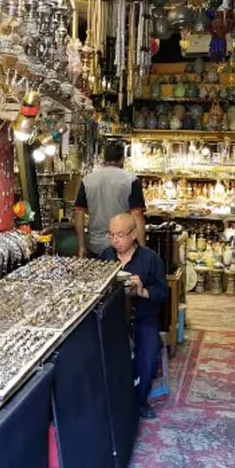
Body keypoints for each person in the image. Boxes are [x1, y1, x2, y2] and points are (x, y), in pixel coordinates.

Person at [99, 213, 170, 419]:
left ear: (134, 233)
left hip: (143, 316)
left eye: (120, 235)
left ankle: (140, 401)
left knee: (148, 351)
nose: (115, 240)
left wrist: (142, 292)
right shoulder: (106, 256)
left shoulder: (150, 258)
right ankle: (111, 399)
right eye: (111, 235)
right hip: (112, 319)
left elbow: (163, 292)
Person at [75, 141, 146, 258]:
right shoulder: (131, 180)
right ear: (123, 159)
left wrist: (81, 245)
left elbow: (79, 212)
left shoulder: (87, 180)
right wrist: (143, 250)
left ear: (105, 158)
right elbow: (137, 215)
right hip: (123, 246)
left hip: (95, 245)